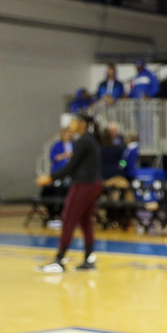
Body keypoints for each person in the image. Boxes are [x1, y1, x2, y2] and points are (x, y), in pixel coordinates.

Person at [35, 114, 103, 273]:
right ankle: (89, 258)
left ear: (81, 124)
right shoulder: (88, 139)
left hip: (84, 184)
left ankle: (60, 260)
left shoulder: (83, 141)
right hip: (93, 184)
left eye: (73, 121)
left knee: (69, 218)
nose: (71, 124)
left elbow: (71, 167)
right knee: (85, 220)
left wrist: (50, 177)